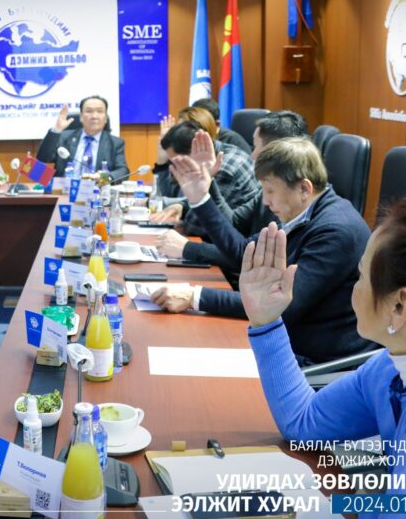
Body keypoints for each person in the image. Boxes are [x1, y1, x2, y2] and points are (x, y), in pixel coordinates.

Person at [239, 197, 406, 519]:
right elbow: (303, 422)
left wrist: (368, 495)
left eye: (360, 276)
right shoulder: (389, 367)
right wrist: (266, 320)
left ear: (400, 306)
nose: (354, 288)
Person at [151, 137, 374, 365]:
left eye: (270, 191)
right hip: (285, 341)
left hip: (315, 361)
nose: (265, 201)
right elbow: (243, 253)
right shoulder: (303, 213)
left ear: (304, 188)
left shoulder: (336, 231)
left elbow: (278, 305)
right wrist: (200, 199)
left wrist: (194, 297)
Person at [155, 110, 310, 273]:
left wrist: (187, 248)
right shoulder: (270, 193)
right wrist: (208, 183)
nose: (252, 156)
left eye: (256, 147)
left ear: (279, 152)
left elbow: (245, 254)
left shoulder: (296, 204)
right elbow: (232, 223)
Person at [150, 119, 259, 236]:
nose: (175, 167)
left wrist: (185, 211)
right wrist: (182, 206)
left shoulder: (224, 169)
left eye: (176, 162)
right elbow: (198, 200)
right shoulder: (219, 149)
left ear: (193, 152)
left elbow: (197, 226)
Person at [36, 96, 128, 181]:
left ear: (105, 118)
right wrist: (56, 130)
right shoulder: (64, 137)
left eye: (99, 111)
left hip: (97, 189)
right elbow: (43, 158)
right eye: (89, 111)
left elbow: (123, 171)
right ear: (81, 117)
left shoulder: (115, 143)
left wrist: (104, 177)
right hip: (65, 189)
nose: (94, 116)